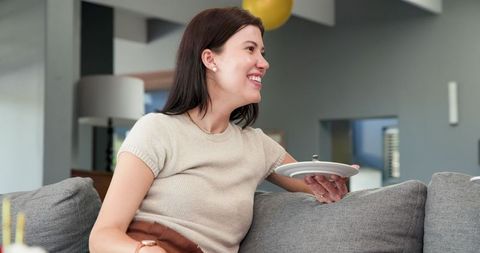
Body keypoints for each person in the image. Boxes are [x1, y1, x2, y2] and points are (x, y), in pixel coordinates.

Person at [89, 7, 351, 253]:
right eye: (250, 49)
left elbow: (319, 188)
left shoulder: (258, 147)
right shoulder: (157, 130)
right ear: (210, 59)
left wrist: (331, 188)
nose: (263, 63)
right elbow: (102, 237)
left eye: (263, 52)